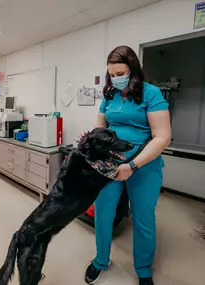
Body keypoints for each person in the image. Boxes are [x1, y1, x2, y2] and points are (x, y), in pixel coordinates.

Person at [84, 46, 171, 285]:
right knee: (103, 213)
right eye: (112, 74)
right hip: (110, 165)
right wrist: (89, 146)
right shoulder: (109, 95)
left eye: (120, 73)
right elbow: (99, 129)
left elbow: (162, 137)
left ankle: (143, 270)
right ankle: (101, 260)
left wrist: (132, 166)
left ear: (133, 70)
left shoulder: (151, 94)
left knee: (144, 218)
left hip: (145, 166)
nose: (116, 78)